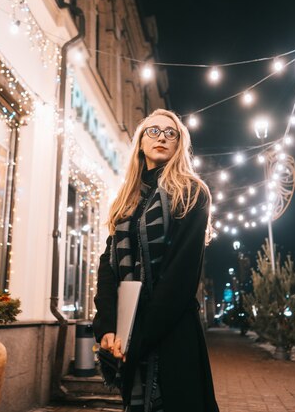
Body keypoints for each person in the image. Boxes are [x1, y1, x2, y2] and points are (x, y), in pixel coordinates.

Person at [93, 109, 219, 412]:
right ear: (139, 142)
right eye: (153, 130)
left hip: (173, 331)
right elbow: (108, 268)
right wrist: (108, 327)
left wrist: (137, 340)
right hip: (128, 331)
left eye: (170, 132)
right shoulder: (127, 200)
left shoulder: (191, 193)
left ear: (178, 145)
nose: (161, 136)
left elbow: (181, 277)